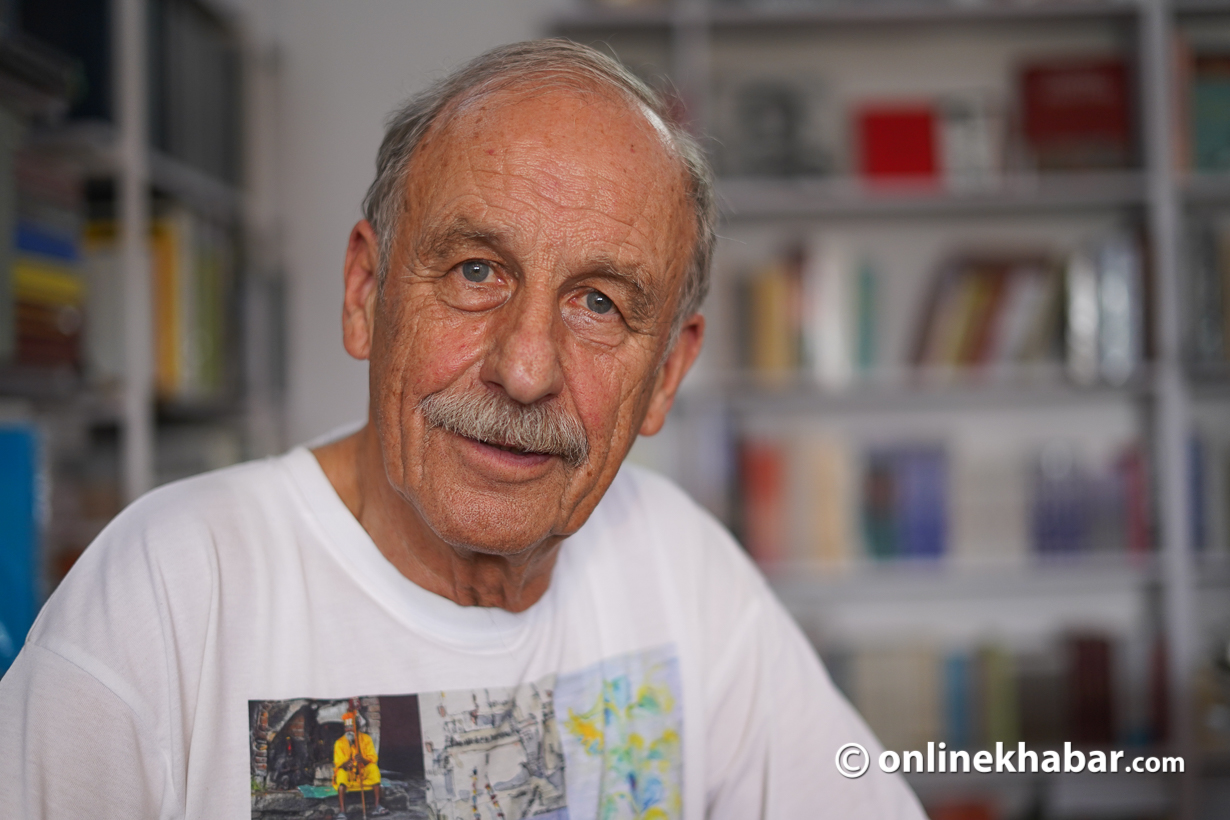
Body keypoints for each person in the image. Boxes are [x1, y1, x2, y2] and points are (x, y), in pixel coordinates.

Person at [0, 40, 925, 819]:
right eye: (477, 270)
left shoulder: (683, 567)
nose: (525, 369)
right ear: (367, 292)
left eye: (599, 303)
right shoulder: (164, 594)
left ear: (667, 376)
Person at [332, 715, 387, 819]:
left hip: (363, 771)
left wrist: (363, 759)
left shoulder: (366, 739)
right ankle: (342, 811)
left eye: (351, 727)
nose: (349, 730)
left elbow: (372, 759)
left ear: (357, 727)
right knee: (341, 774)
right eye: (346, 727)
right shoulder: (339, 742)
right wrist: (346, 764)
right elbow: (338, 763)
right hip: (349, 773)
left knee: (374, 769)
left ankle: (377, 806)